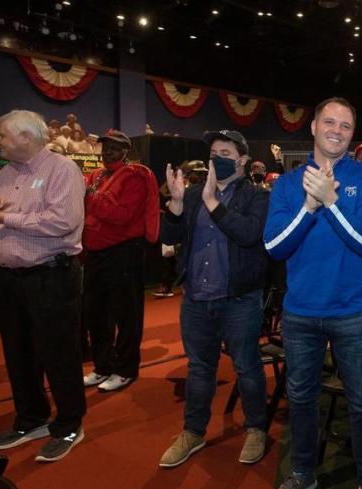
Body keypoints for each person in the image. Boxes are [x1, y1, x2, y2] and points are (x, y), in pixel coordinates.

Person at [262, 97, 362, 489]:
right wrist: (309, 206)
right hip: (300, 312)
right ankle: (302, 472)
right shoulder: (286, 184)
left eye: (345, 125)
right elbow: (275, 247)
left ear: (353, 134)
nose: (336, 129)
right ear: (313, 126)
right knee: (300, 397)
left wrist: (330, 202)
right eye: (329, 121)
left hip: (353, 311)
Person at [0, 110, 86, 462]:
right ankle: (31, 419)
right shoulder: (5, 173)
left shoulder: (62, 169)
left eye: (1, 134)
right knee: (18, 354)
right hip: (11, 279)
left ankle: (69, 424)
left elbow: (63, 222)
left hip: (51, 275)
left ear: (25, 137)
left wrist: (2, 217)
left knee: (58, 354)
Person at [158, 129, 272, 468]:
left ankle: (256, 428)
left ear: (242, 160)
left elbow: (249, 235)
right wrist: (176, 207)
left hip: (239, 299)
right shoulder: (192, 194)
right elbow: (168, 238)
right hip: (196, 298)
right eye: (214, 152)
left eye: (225, 152)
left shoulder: (257, 197)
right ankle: (193, 432)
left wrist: (212, 202)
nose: (217, 157)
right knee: (199, 369)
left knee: (247, 367)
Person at [80, 130, 159, 393]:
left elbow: (120, 215)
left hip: (124, 253)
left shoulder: (137, 175)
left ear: (126, 150)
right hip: (96, 254)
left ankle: (125, 369)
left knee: (126, 315)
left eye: (114, 148)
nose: (108, 152)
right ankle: (103, 366)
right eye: (105, 147)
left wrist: (89, 198)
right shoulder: (96, 176)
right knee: (96, 313)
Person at [154, 160, 206, 298]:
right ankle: (167, 285)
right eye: (195, 174)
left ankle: (167, 285)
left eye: (201, 174)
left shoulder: (210, 193)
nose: (199, 177)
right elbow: (168, 234)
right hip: (183, 242)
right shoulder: (181, 191)